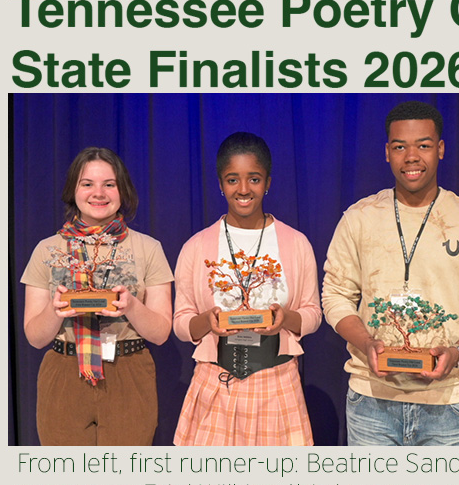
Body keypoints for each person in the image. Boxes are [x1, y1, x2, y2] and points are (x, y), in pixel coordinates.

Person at [322, 100, 459, 446]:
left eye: (423, 145)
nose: (411, 156)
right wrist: (366, 344)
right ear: (387, 152)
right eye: (400, 147)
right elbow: (335, 295)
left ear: (440, 149)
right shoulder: (359, 219)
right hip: (371, 401)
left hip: (449, 404)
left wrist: (458, 352)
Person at [172, 132, 322, 446]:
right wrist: (207, 322)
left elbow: (312, 314)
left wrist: (285, 318)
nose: (243, 190)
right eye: (232, 180)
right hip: (215, 384)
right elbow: (181, 321)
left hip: (277, 384)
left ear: (268, 182)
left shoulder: (296, 243)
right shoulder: (196, 246)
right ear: (220, 184)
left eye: (253, 179)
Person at [21, 147, 173, 445]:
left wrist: (130, 305)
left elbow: (161, 333)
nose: (98, 193)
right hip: (64, 374)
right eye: (87, 184)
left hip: (128, 373)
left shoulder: (148, 248)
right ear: (73, 190)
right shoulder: (47, 250)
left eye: (109, 184)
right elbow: (35, 338)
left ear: (122, 190)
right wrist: (56, 310)